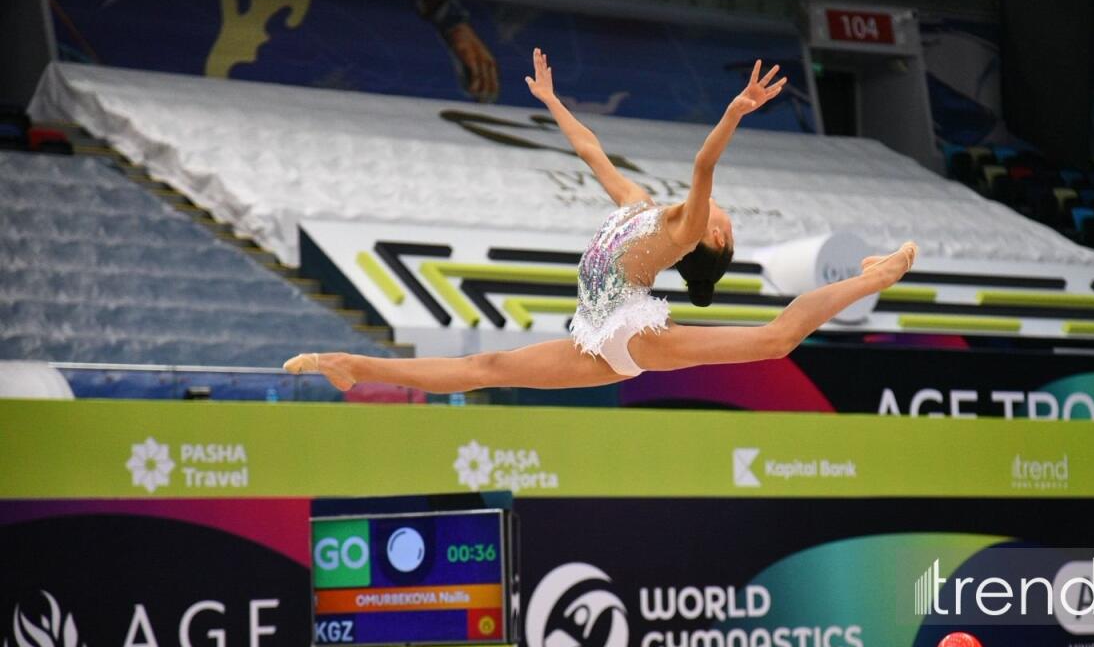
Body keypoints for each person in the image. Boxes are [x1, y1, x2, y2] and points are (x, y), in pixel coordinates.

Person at [285, 48, 917, 392]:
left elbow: (703, 166)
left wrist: (734, 112)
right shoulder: (638, 207)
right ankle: (353, 366)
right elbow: (591, 151)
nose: (723, 213)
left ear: (715, 236)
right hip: (594, 337)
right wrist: (553, 102)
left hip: (631, 333)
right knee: (485, 371)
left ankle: (873, 276)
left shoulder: (687, 230)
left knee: (773, 340)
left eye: (726, 220)